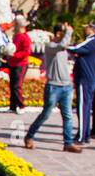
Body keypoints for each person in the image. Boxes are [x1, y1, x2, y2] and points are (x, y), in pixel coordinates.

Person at [24, 24, 80, 152]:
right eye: (62, 33)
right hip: (54, 86)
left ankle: (68, 143)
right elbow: (62, 45)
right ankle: (29, 136)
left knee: (67, 116)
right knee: (46, 114)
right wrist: (69, 30)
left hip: (66, 86)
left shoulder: (63, 48)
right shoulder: (50, 46)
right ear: (58, 34)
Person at [7, 17, 31, 113]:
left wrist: (14, 55)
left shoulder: (25, 37)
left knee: (17, 85)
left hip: (21, 64)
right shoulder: (16, 36)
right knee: (12, 85)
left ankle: (21, 105)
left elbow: (26, 52)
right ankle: (13, 106)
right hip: (13, 63)